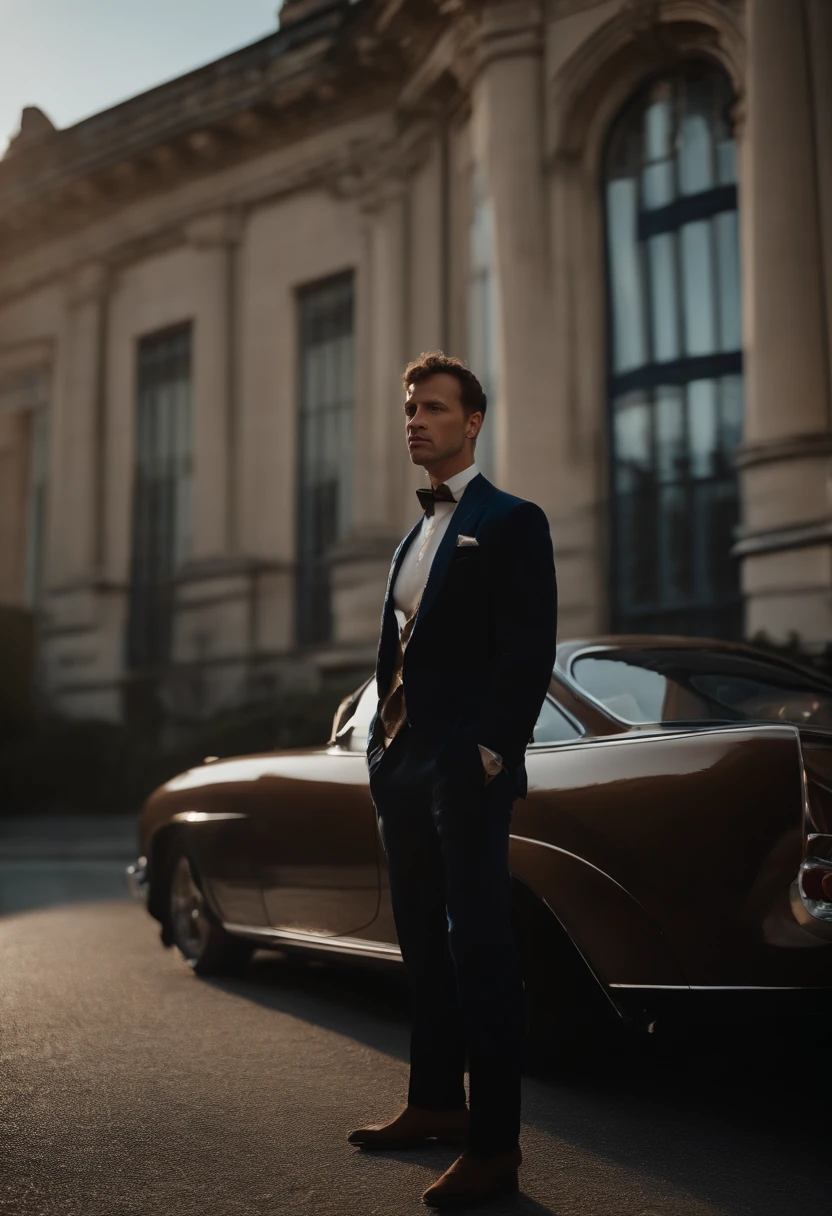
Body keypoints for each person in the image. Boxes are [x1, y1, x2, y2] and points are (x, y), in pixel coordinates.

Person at [347, 351, 558, 1208]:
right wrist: (380, 751)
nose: (416, 420)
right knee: (422, 947)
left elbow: (527, 650)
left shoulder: (512, 521)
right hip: (401, 767)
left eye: (433, 408)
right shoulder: (413, 534)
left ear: (472, 422)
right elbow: (403, 653)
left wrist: (486, 753)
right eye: (409, 408)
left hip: (465, 769)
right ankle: (436, 1102)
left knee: (481, 953)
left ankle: (497, 1146)